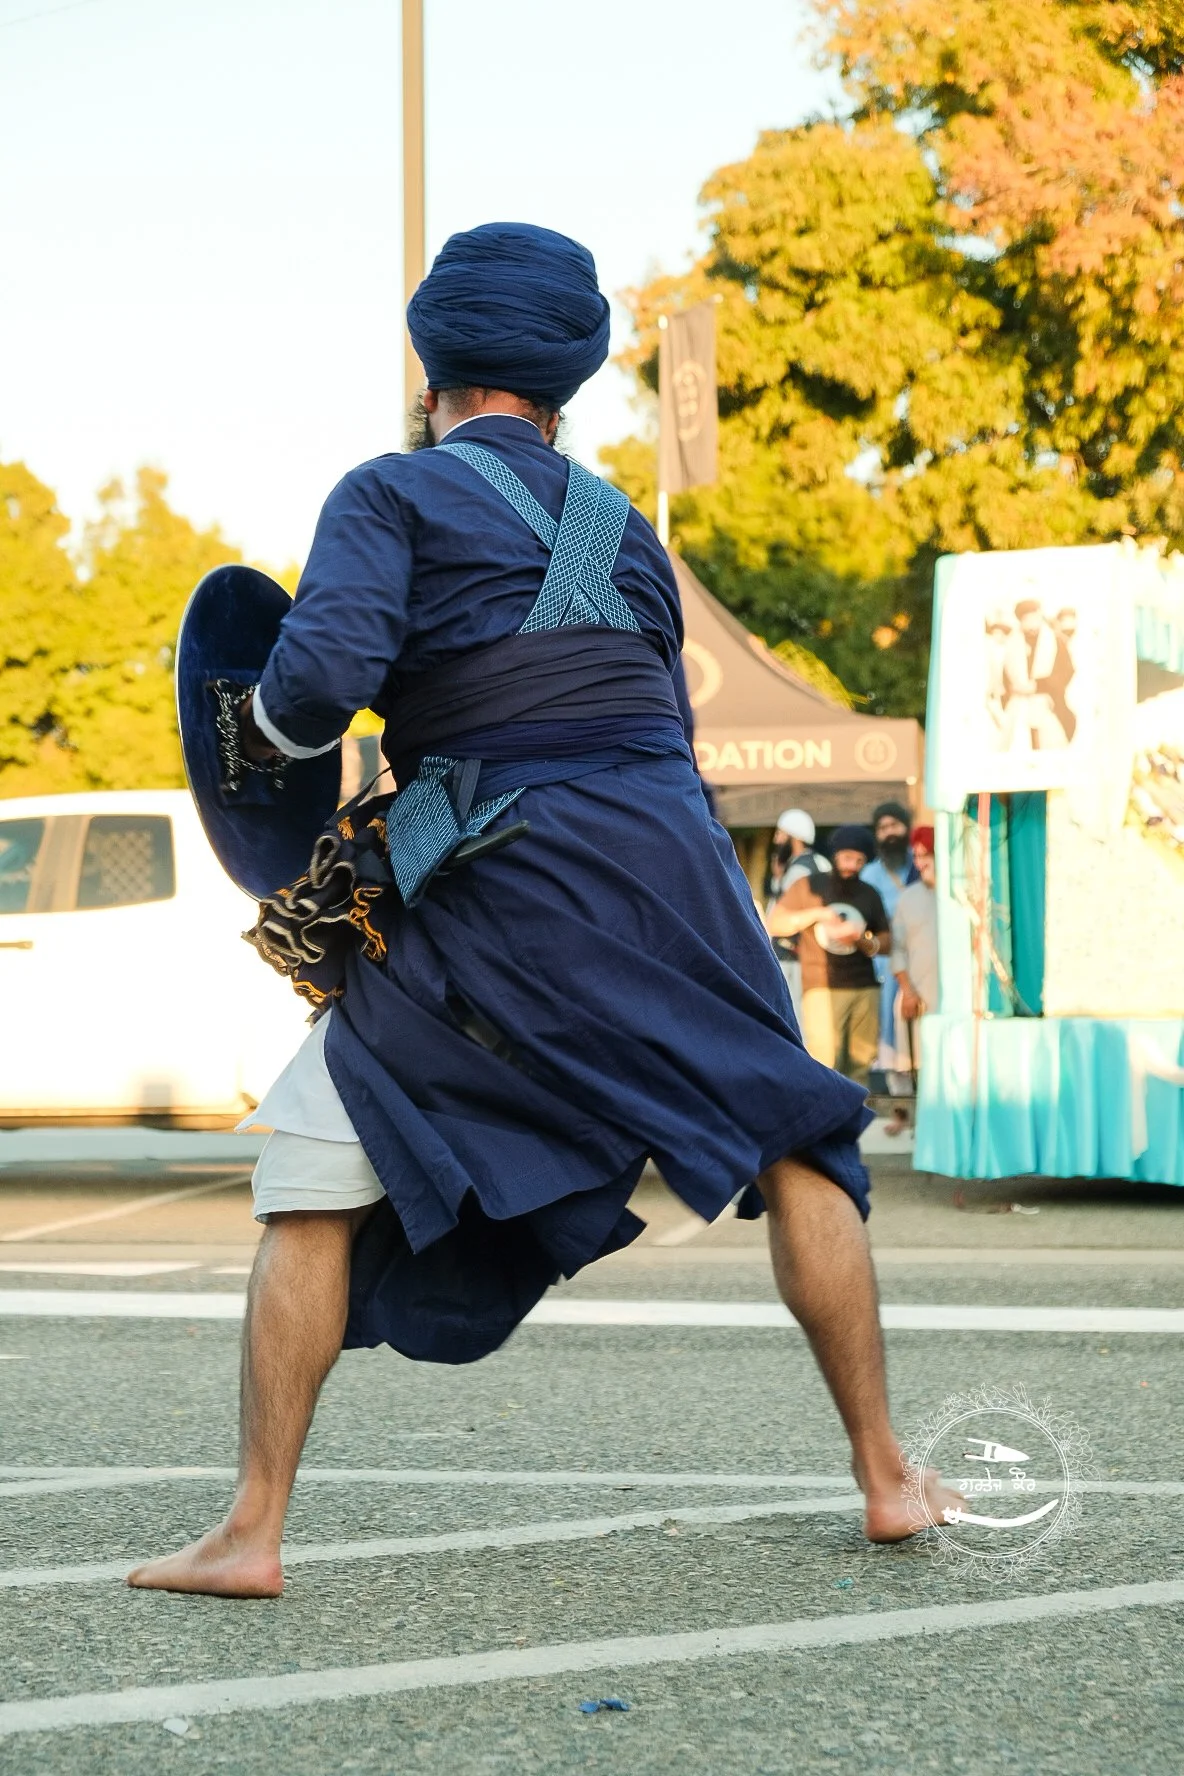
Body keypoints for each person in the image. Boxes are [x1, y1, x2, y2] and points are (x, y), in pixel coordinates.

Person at [128, 223, 956, 1599]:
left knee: (314, 1184)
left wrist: (254, 731)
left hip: (508, 878)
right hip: (676, 863)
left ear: (430, 363)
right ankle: (884, 1476)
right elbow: (635, 703)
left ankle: (253, 1532)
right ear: (565, 380)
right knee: (800, 1138)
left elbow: (318, 685)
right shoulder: (617, 522)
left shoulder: (389, 493)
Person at [768, 825, 890, 1092]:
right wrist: (818, 914)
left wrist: (861, 940)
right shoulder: (809, 885)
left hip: (863, 985)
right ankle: (825, 1120)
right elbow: (776, 923)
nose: (852, 866)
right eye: (847, 858)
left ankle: (858, 1119)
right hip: (821, 984)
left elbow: (887, 941)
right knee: (824, 1057)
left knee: (861, 1060)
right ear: (835, 855)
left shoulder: (868, 893)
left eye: (859, 861)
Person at [860, 801, 917, 1098]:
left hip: (920, 961)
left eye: (895, 825)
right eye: (883, 828)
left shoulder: (920, 865)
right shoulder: (869, 875)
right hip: (884, 966)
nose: (889, 832)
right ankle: (899, 1100)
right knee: (890, 1035)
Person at [764, 809, 831, 1018]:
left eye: (781, 834)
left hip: (795, 957)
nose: (777, 840)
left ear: (794, 837)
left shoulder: (800, 871)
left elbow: (784, 912)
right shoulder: (817, 862)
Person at [891, 826, 938, 1080]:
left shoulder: (962, 895)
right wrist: (907, 991)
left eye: (926, 855)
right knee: (915, 1067)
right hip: (917, 996)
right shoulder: (908, 898)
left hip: (953, 1000)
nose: (920, 863)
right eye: (916, 857)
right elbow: (898, 949)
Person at [1003, 599, 1075, 749]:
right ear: (1021, 621)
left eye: (1034, 617)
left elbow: (1066, 671)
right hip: (1019, 705)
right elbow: (1004, 675)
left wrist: (1037, 686)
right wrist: (1015, 688)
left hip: (1048, 702)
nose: (1031, 622)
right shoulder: (1011, 643)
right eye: (1026, 619)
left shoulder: (1055, 641)